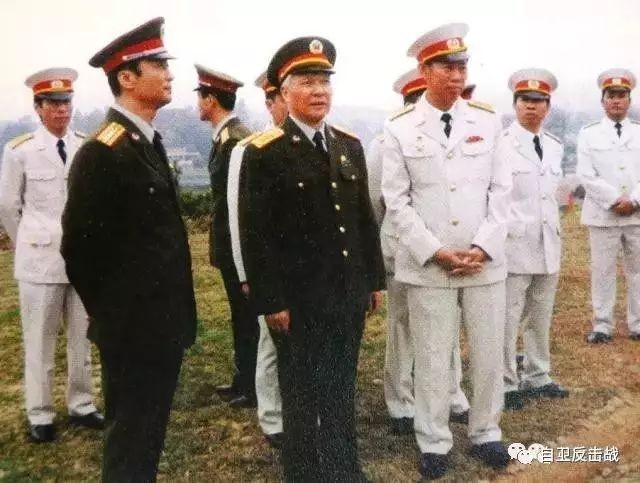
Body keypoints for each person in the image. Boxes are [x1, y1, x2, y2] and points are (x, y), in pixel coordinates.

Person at [241, 36, 385, 482]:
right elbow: (256, 235)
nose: (319, 90)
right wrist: (271, 300)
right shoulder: (265, 152)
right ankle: (303, 473)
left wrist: (373, 280)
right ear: (284, 92)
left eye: (324, 81)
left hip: (346, 294)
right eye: (307, 81)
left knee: (340, 389)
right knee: (301, 395)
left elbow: (363, 220)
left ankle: (344, 471)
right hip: (298, 301)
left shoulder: (348, 145)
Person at [60, 17, 197, 482]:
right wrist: (119, 317)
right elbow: (79, 249)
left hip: (159, 324)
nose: (170, 75)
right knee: (131, 439)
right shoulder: (104, 151)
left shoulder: (144, 140)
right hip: (133, 329)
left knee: (147, 435)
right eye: (159, 65)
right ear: (127, 77)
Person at [382, 23, 512, 479]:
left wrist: (483, 246)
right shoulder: (399, 128)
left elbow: (502, 191)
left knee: (489, 352)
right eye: (447, 68)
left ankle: (486, 431)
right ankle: (433, 440)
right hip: (429, 266)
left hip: (483, 263)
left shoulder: (488, 121)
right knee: (433, 356)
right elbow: (396, 201)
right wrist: (435, 250)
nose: (457, 77)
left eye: (462, 67)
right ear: (424, 70)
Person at [0, 68, 103, 443]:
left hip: (81, 260)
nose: (62, 110)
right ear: (38, 107)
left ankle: (82, 404)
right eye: (54, 104)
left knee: (81, 337)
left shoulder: (84, 145)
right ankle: (40, 412)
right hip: (39, 262)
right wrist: (28, 241)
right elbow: (8, 206)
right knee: (40, 341)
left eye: (66, 102)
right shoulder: (20, 150)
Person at [366, 68, 469, 436]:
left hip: (448, 249)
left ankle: (452, 394)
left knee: (449, 324)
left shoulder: (455, 137)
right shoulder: (386, 142)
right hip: (402, 250)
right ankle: (401, 402)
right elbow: (376, 202)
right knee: (403, 327)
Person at [499, 68, 569, 412]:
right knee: (508, 316)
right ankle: (505, 381)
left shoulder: (554, 146)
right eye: (525, 100)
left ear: (548, 107)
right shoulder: (501, 144)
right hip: (514, 243)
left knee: (540, 313)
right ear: (515, 104)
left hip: (547, 242)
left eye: (539, 101)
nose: (531, 107)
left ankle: (538, 374)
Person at [227, 70, 286, 447]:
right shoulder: (249, 149)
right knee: (270, 341)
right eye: (282, 98)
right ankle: (272, 416)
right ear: (270, 102)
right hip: (268, 263)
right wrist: (245, 272)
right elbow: (239, 219)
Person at [194, 64, 258, 408]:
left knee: (246, 316)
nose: (198, 104)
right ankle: (243, 379)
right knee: (240, 314)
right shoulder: (226, 137)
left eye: (200, 97)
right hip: (230, 245)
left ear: (211, 100)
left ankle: (251, 385)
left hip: (238, 247)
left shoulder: (234, 140)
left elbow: (239, 202)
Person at [577, 69, 640, 343]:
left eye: (621, 95)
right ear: (602, 101)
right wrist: (614, 199)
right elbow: (586, 174)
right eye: (611, 95)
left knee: (638, 271)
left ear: (629, 100)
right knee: (602, 271)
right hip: (603, 214)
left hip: (637, 213)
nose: (616, 100)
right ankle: (602, 325)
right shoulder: (588, 133)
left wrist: (634, 200)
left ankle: (638, 324)